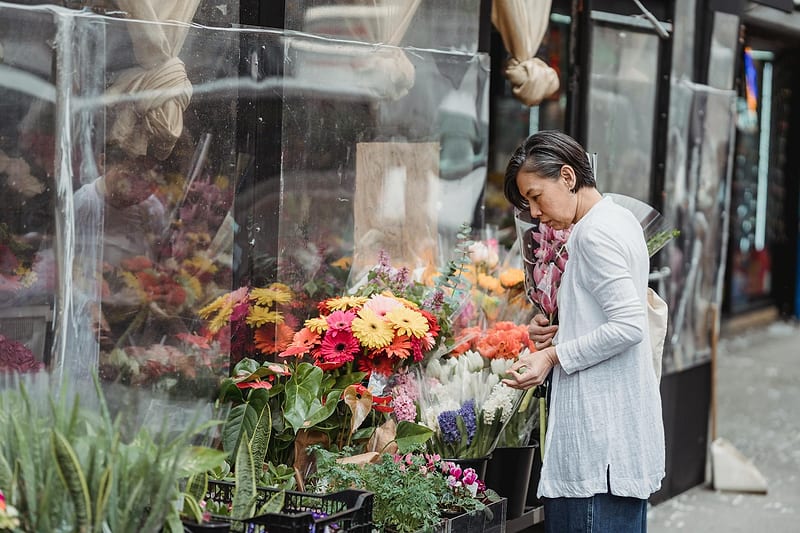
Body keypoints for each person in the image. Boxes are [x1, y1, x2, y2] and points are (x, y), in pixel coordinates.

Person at [501, 130, 665, 533]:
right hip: (614, 443)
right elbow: (612, 317)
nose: (535, 212)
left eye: (537, 196)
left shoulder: (593, 234)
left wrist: (553, 356)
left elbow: (628, 326)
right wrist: (560, 334)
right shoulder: (618, 219)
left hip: (597, 449)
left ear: (568, 177)